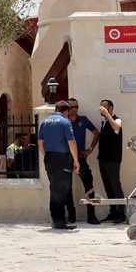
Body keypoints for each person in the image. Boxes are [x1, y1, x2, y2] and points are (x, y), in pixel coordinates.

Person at [37, 100, 79, 231]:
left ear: (56, 109)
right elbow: (71, 142)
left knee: (54, 188)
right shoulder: (65, 122)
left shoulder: (44, 122)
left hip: (49, 158)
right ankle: (60, 220)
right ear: (66, 111)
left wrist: (46, 156)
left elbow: (40, 142)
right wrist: (76, 160)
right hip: (62, 158)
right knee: (62, 189)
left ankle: (56, 219)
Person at [65, 98, 100, 225]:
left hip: (80, 156)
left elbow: (96, 133)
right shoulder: (63, 122)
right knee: (66, 186)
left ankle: (91, 215)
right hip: (66, 157)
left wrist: (90, 149)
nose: (74, 109)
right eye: (71, 107)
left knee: (88, 184)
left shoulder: (83, 120)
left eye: (76, 107)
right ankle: (71, 215)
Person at [97, 100, 126, 224]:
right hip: (103, 159)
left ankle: (121, 213)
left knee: (115, 186)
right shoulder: (103, 123)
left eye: (105, 107)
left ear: (111, 108)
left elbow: (116, 127)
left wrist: (107, 115)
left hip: (113, 160)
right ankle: (113, 211)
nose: (102, 109)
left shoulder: (117, 120)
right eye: (101, 107)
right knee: (108, 187)